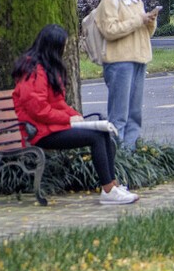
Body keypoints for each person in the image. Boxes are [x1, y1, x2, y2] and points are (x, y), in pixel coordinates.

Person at [12, 25, 138, 205]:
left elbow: (57, 103)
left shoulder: (45, 67)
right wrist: (68, 119)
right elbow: (38, 110)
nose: (64, 49)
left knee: (103, 133)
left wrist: (75, 115)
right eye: (63, 46)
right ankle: (109, 191)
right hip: (38, 133)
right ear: (53, 47)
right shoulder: (33, 72)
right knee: (96, 137)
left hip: (49, 128)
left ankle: (112, 186)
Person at [95, 0, 158, 150]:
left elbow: (146, 32)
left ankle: (130, 154)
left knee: (135, 115)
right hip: (119, 62)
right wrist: (139, 20)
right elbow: (109, 30)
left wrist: (150, 21)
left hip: (140, 58)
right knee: (119, 115)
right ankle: (117, 156)